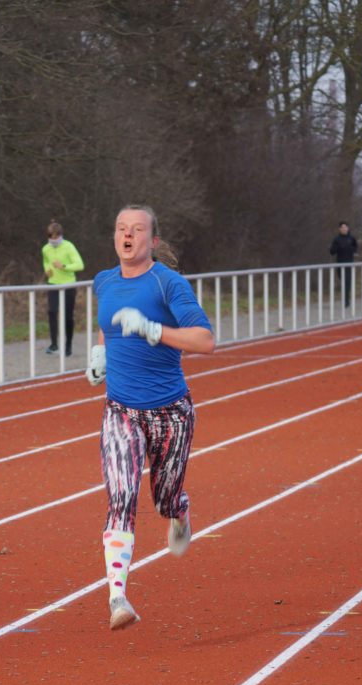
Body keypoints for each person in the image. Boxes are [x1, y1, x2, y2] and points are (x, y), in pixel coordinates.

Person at [86, 204, 215, 630]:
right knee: (121, 497)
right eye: (121, 228)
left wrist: (154, 331)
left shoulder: (168, 284)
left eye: (137, 229)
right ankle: (117, 597)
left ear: (153, 240)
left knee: (163, 498)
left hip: (171, 413)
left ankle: (179, 510)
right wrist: (100, 352)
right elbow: (107, 321)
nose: (127, 235)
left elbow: (205, 341)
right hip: (121, 411)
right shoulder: (104, 281)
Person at [42, 220, 84, 355]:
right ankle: (54, 344)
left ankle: (68, 345)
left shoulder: (68, 246)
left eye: (56, 237)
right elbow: (46, 262)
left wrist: (64, 267)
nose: (54, 240)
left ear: (60, 235)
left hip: (69, 284)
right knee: (52, 312)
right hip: (53, 283)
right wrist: (47, 270)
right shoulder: (45, 249)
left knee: (67, 316)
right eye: (51, 237)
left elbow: (80, 265)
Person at [329, 221, 358, 307]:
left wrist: (351, 249)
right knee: (344, 281)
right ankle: (345, 299)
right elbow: (332, 251)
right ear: (339, 229)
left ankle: (346, 300)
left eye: (345, 227)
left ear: (348, 228)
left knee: (348, 281)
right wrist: (338, 248)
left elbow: (356, 248)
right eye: (342, 227)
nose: (344, 229)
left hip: (349, 263)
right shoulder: (337, 239)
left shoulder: (352, 238)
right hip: (340, 264)